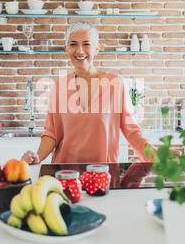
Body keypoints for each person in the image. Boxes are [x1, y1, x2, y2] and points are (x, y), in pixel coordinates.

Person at [21, 21, 155, 164]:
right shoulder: (59, 86)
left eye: (86, 44)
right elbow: (52, 134)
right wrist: (37, 157)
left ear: (97, 49)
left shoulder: (115, 84)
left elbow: (131, 131)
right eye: (73, 44)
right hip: (66, 174)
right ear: (66, 49)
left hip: (102, 174)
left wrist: (154, 155)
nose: (79, 50)